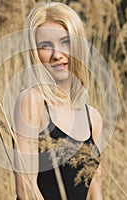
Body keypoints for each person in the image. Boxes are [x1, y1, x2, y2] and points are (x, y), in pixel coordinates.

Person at [12, 2, 103, 200]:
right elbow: (25, 188)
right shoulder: (31, 101)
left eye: (65, 42)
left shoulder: (92, 118)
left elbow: (95, 191)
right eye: (45, 46)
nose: (57, 54)